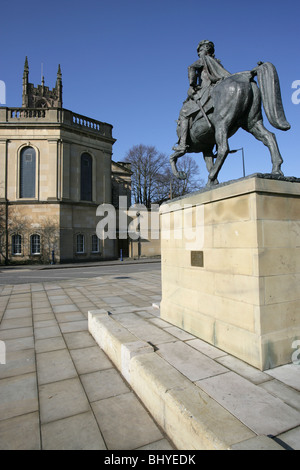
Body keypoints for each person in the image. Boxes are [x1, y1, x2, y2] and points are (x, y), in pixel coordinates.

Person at [173, 40, 230, 154]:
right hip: (219, 89)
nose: (199, 53)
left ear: (202, 50)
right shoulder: (217, 63)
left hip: (206, 90)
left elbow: (191, 68)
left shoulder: (203, 60)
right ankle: (219, 145)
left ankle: (183, 144)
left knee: (184, 112)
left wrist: (192, 84)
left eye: (199, 51)